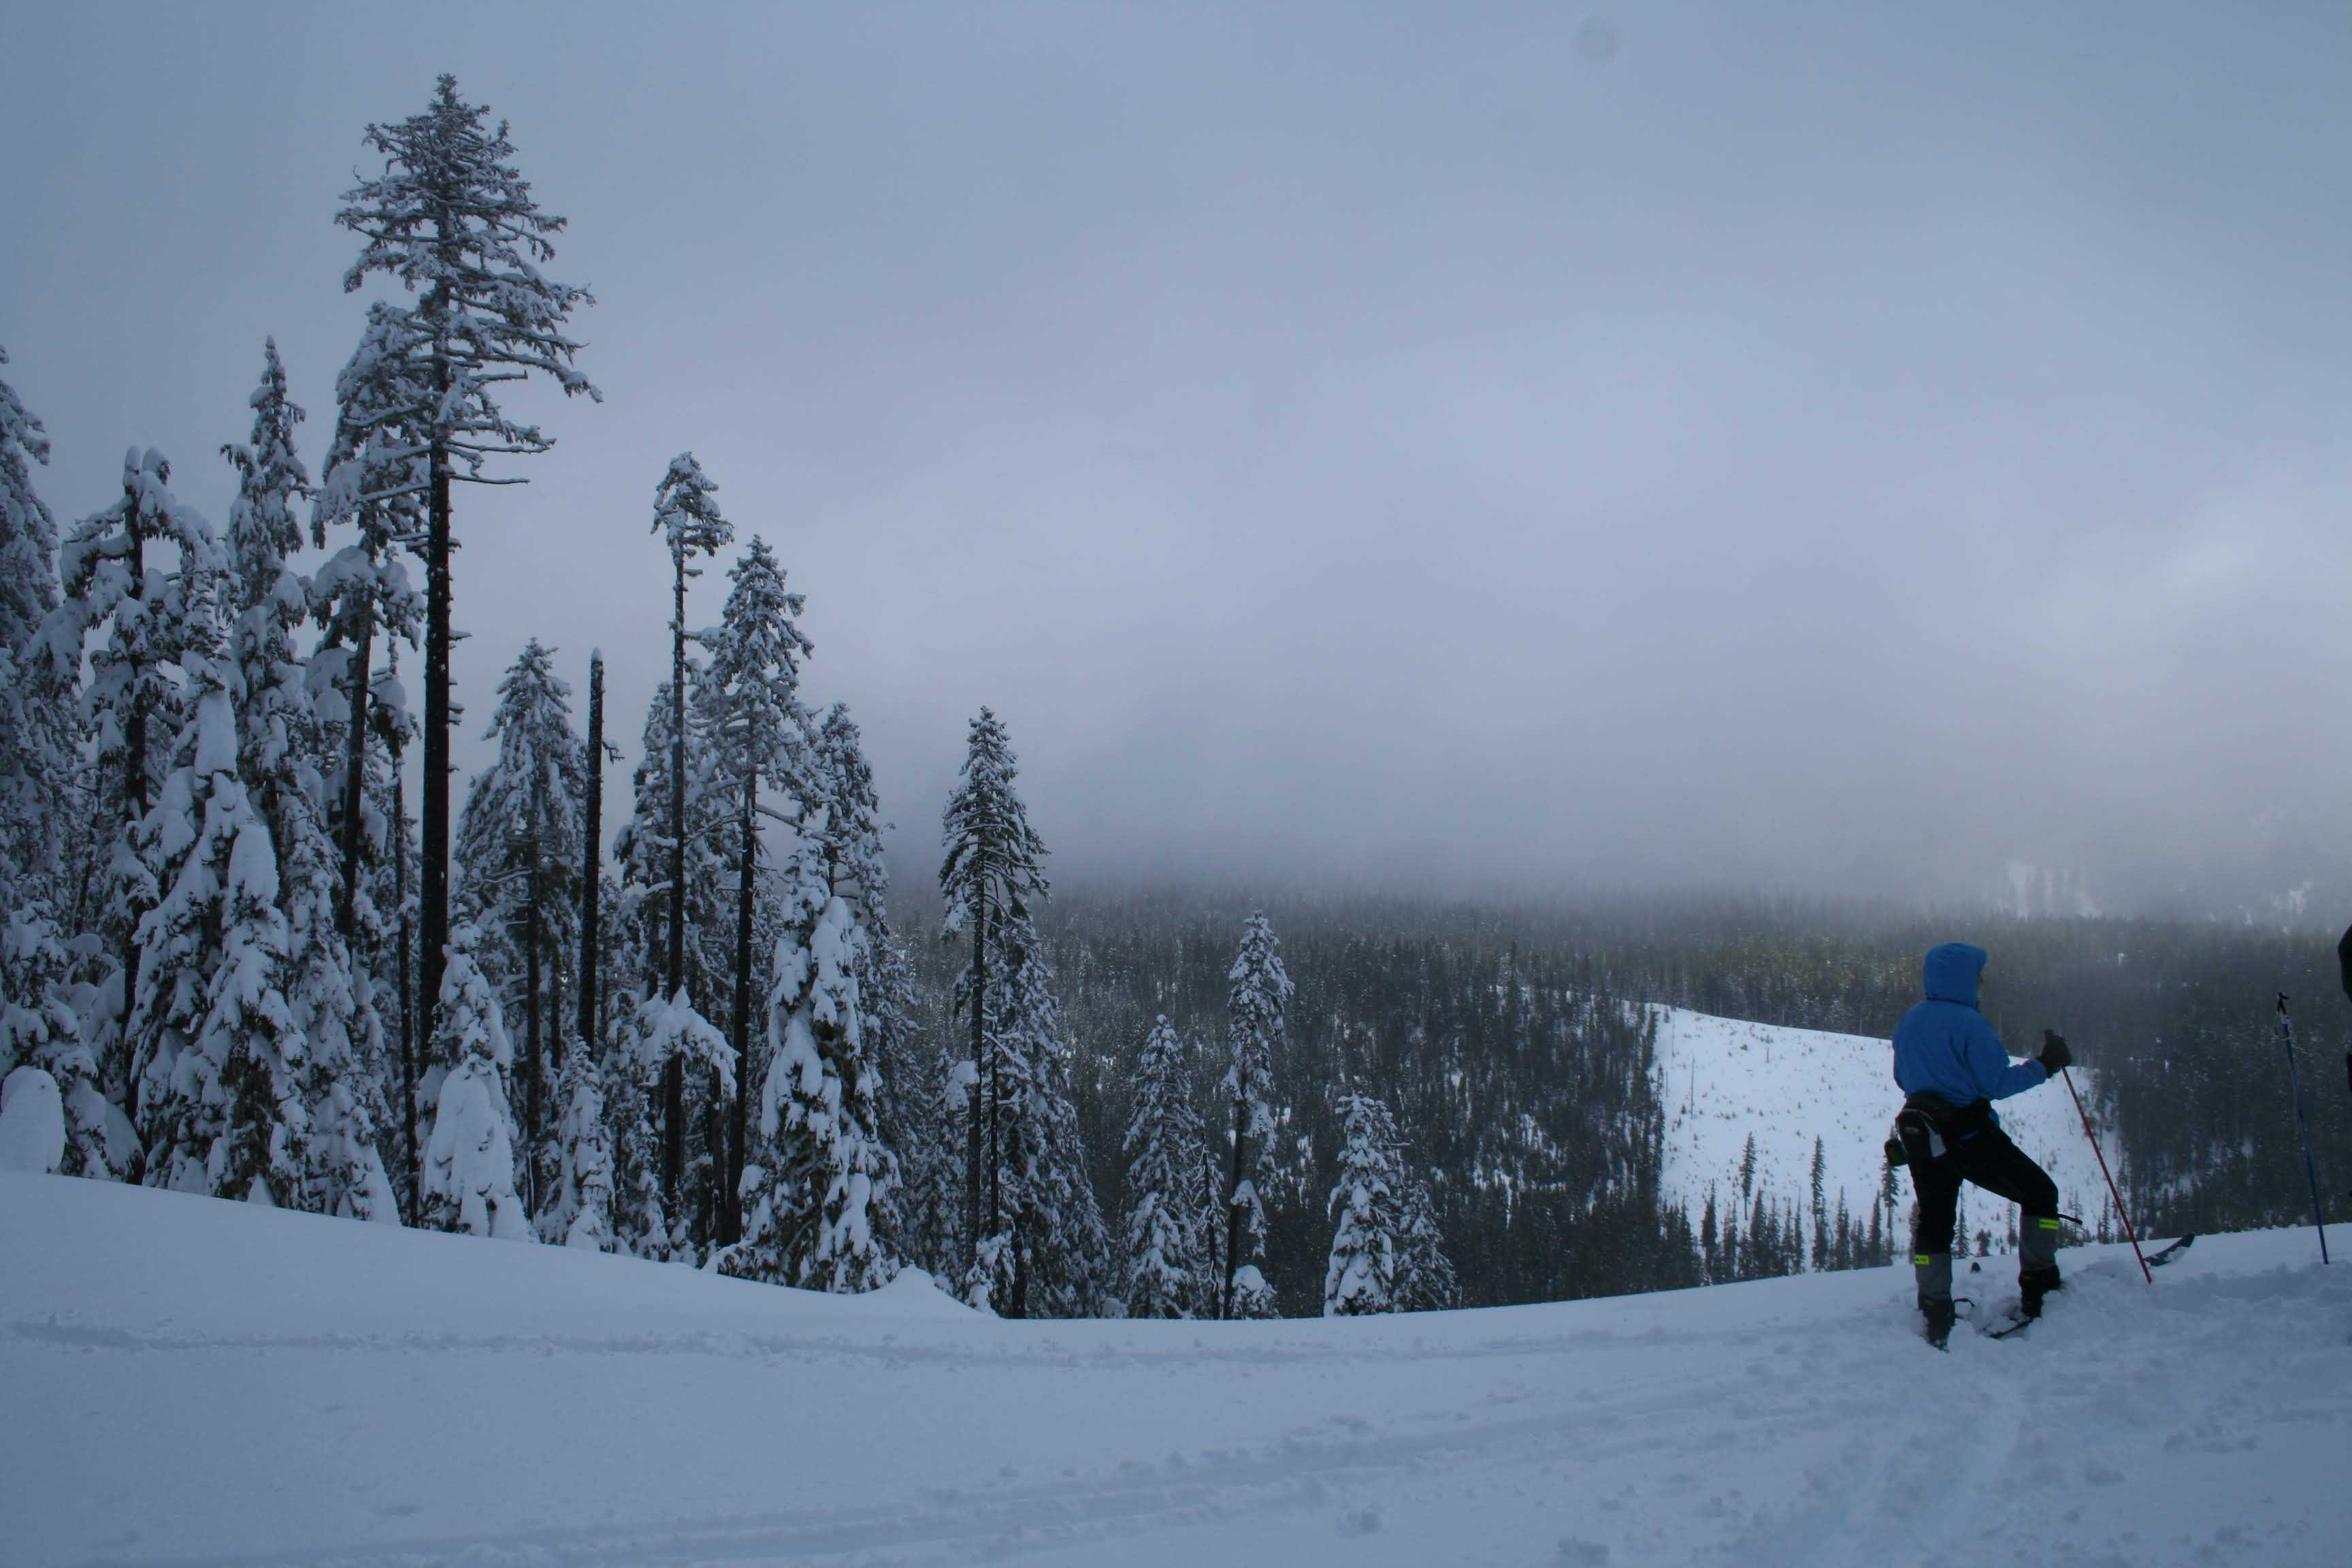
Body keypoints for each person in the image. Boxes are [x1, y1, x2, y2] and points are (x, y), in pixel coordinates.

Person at [1890, 941, 2072, 1348]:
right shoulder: (1971, 1024)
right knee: (2041, 1193)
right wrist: (2045, 1065)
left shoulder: (1910, 1020)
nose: (1982, 983)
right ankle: (2040, 1288)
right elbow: (1996, 1084)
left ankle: (1934, 1308)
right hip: (1969, 1136)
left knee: (1936, 1222)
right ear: (1967, 979)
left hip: (1922, 1136)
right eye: (1978, 976)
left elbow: (1903, 1079)